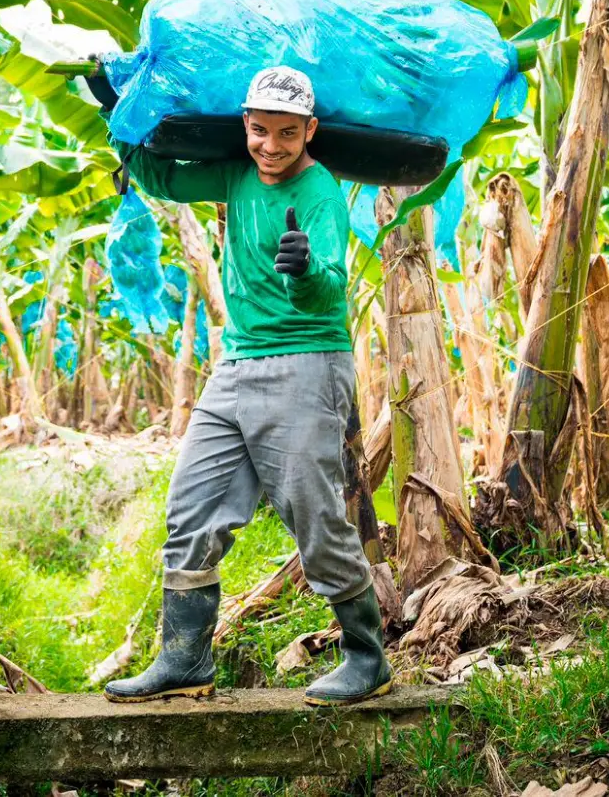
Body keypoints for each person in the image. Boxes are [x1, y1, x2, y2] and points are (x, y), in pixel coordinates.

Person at [103, 65, 392, 707]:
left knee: (314, 515)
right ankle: (185, 660)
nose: (270, 146)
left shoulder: (317, 188)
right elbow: (164, 177)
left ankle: (366, 657)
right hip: (234, 366)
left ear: (310, 130)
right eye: (260, 131)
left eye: (287, 134)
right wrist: (118, 120)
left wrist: (304, 267)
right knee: (191, 509)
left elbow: (331, 276)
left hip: (306, 361)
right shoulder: (236, 173)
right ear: (245, 126)